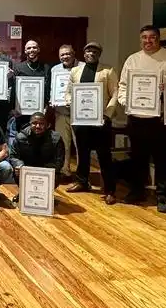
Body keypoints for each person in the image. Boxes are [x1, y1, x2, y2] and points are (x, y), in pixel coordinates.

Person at [117, 25, 166, 212]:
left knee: (163, 159)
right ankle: (137, 191)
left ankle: (163, 196)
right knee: (137, 157)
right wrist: (127, 103)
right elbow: (123, 86)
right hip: (136, 118)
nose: (148, 41)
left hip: (160, 119)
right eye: (144, 37)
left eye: (152, 37)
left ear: (158, 38)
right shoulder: (132, 59)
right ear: (140, 40)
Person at [65, 42, 119, 205]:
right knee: (82, 152)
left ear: (99, 54)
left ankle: (109, 190)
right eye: (88, 50)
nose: (91, 53)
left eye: (95, 51)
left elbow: (115, 93)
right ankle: (82, 182)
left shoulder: (107, 71)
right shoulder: (75, 71)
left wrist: (107, 115)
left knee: (104, 155)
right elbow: (69, 92)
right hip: (80, 120)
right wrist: (71, 103)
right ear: (84, 53)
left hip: (101, 121)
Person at [8, 112, 65, 204]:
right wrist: (20, 165)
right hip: (27, 169)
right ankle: (24, 193)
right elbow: (13, 156)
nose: (37, 126)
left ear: (47, 125)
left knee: (58, 175)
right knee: (17, 171)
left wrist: (43, 171)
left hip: (46, 170)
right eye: (34, 123)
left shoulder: (56, 138)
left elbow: (59, 161)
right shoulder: (20, 137)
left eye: (41, 124)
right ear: (30, 124)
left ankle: (46, 195)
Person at [50, 44, 82, 176]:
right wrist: (52, 99)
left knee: (80, 144)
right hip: (61, 112)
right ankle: (65, 170)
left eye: (68, 54)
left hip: (79, 114)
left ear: (74, 54)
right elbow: (53, 87)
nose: (65, 57)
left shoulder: (83, 67)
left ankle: (82, 173)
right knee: (63, 144)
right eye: (62, 55)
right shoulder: (55, 69)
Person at [14, 40, 52, 131]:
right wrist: (14, 108)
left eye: (34, 47)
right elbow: (15, 90)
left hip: (40, 111)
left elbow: (49, 89)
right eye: (29, 48)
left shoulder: (46, 68)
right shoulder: (18, 68)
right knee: (23, 136)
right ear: (25, 51)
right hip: (22, 111)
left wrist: (47, 106)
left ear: (38, 49)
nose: (31, 50)